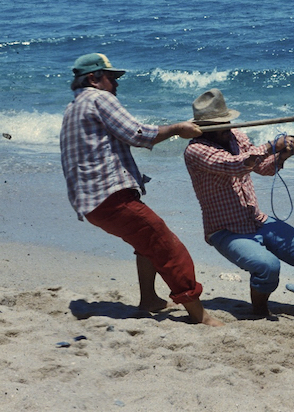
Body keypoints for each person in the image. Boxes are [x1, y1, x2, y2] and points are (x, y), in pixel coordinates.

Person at [59, 53, 222, 326]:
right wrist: (177, 129)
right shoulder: (99, 98)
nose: (116, 83)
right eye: (112, 77)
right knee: (164, 244)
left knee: (145, 244)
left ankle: (149, 299)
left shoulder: (72, 107)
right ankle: (199, 315)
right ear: (93, 78)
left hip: (89, 202)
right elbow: (137, 134)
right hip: (109, 196)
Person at [183, 89, 294, 317]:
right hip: (226, 231)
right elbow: (236, 165)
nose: (227, 128)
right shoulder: (195, 151)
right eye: (220, 124)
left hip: (256, 220)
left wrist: (282, 156)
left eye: (227, 121)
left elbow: (262, 168)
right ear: (204, 128)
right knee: (267, 267)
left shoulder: (236, 136)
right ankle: (259, 312)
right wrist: (272, 145)